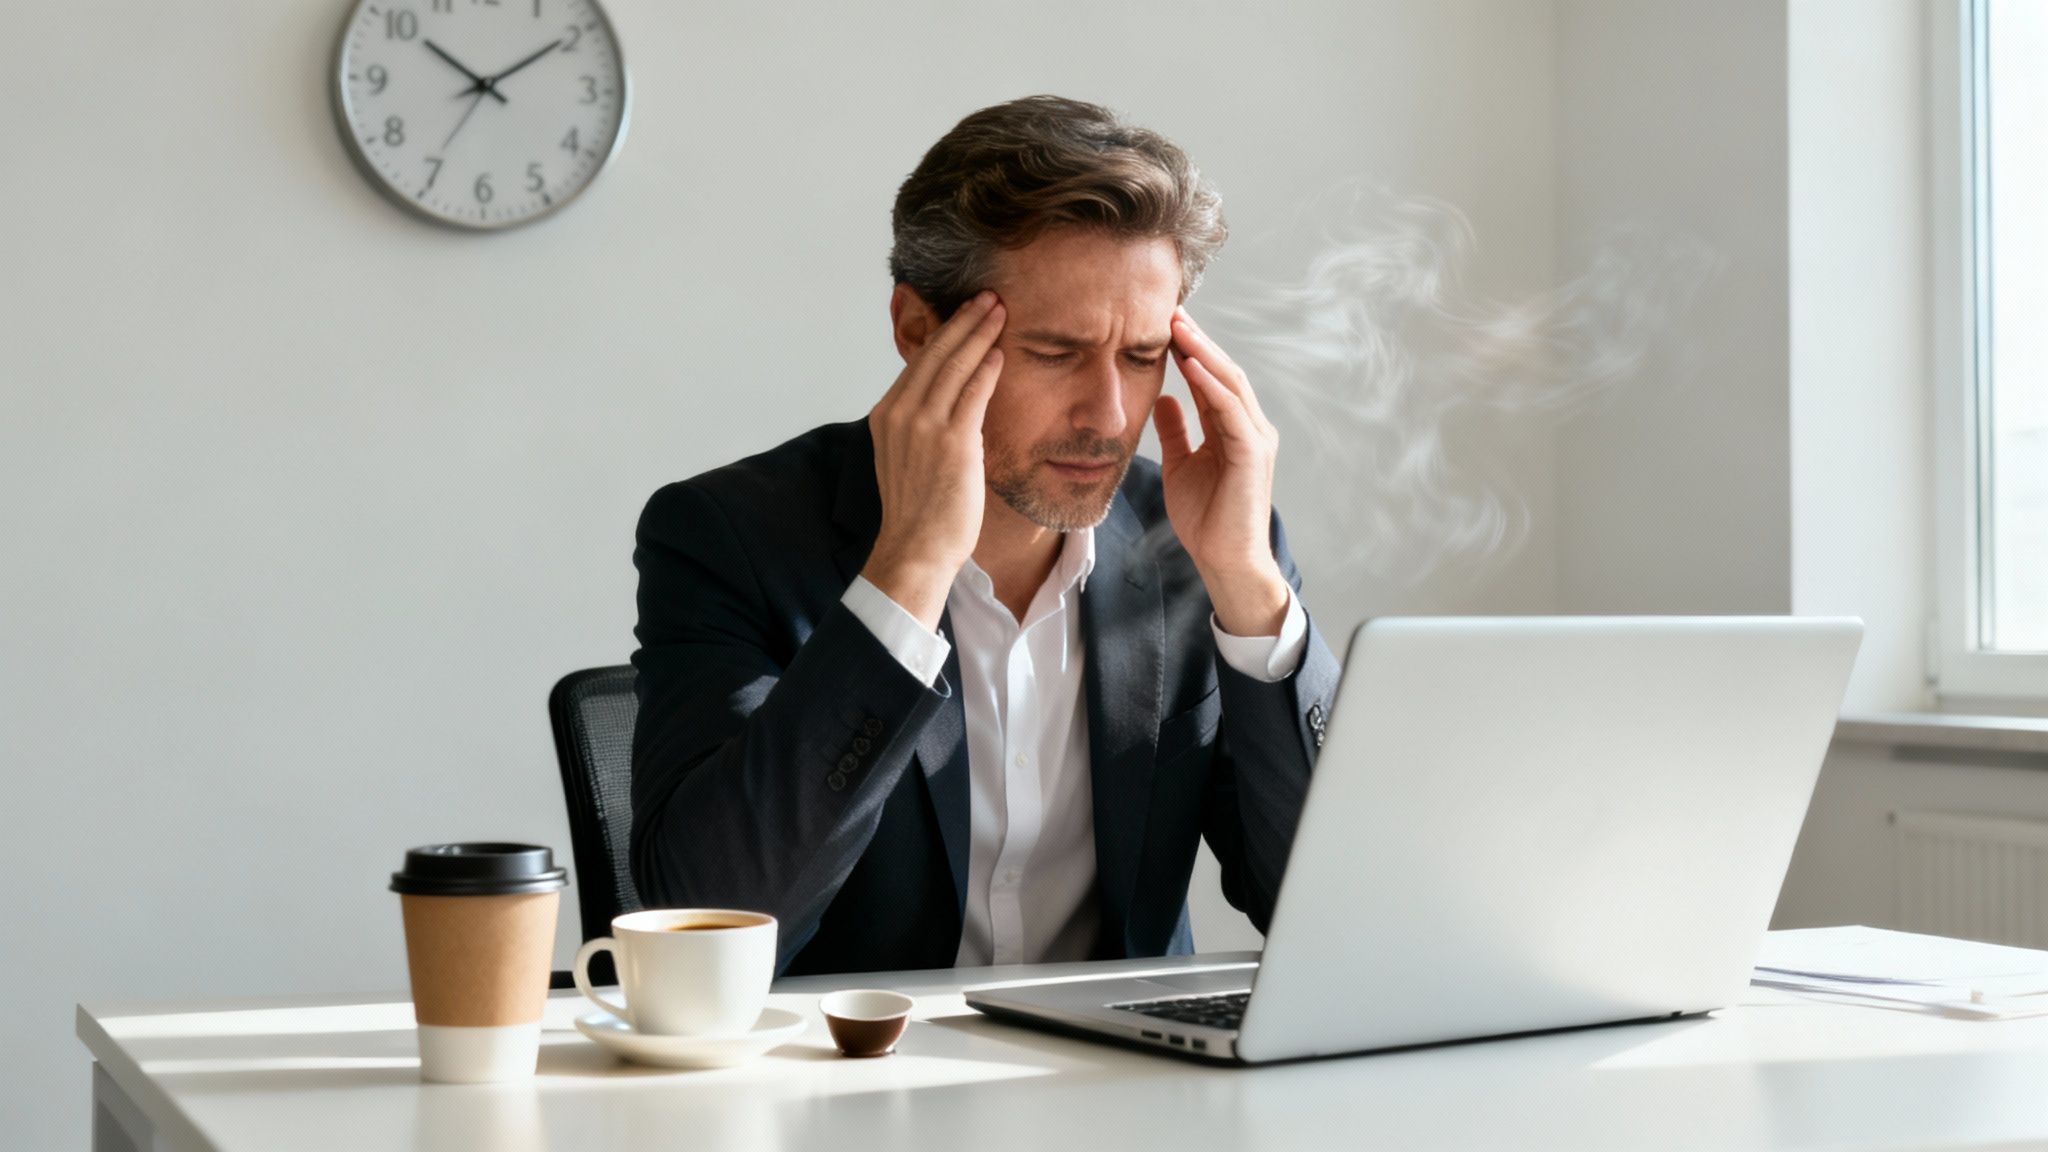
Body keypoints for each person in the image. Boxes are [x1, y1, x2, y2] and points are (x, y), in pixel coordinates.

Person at [629, 94, 1340, 977]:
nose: (1109, 417)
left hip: (1133, 1090)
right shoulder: (729, 536)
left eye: (1140, 355)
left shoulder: (1205, 543)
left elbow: (1339, 914)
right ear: (919, 329)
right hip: (853, 1091)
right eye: (1054, 353)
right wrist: (908, 573)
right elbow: (713, 917)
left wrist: (1248, 589)